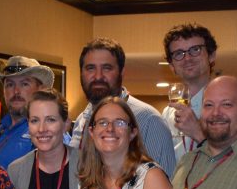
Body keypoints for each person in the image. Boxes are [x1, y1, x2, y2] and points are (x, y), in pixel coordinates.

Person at [69, 37, 176, 176]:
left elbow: (166, 186)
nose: (98, 76)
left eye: (107, 68)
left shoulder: (149, 121)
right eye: (90, 68)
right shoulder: (82, 120)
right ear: (81, 73)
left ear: (122, 72)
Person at [161, 24, 237, 163]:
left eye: (195, 50)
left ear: (211, 56)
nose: (187, 58)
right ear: (172, 66)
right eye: (179, 53)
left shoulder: (234, 105)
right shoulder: (168, 113)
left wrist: (198, 132)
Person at [0, 56, 54, 170]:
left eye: (24, 84)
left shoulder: (48, 132)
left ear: (40, 90)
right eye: (10, 85)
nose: (16, 91)